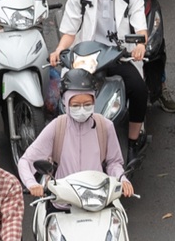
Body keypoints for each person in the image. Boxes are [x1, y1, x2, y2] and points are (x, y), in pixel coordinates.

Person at [52, 0, 148, 144]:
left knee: (139, 89)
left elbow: (141, 29)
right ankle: (63, 139)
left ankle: (133, 140)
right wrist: (60, 49)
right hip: (86, 56)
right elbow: (70, 31)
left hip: (119, 55)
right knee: (65, 91)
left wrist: (140, 46)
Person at [19, 71, 128, 223]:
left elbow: (114, 162)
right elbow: (26, 161)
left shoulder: (105, 126)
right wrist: (32, 184)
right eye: (76, 105)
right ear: (65, 102)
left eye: (87, 104)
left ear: (94, 100)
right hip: (62, 204)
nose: (82, 109)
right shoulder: (57, 126)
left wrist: (122, 179)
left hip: (98, 202)